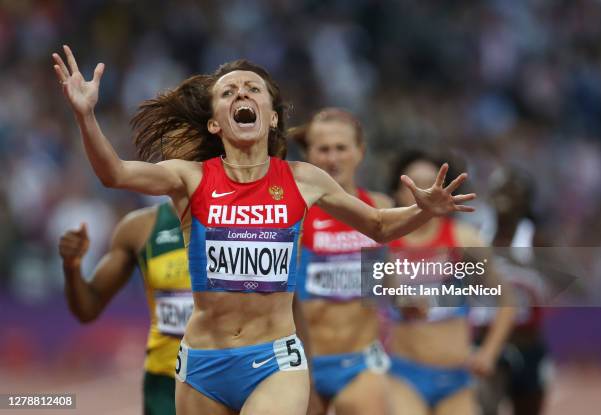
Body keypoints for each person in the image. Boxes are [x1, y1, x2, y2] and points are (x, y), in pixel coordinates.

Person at [52, 45, 475, 415]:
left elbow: (379, 226)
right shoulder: (190, 178)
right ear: (216, 122)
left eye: (253, 89)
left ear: (271, 117)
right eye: (228, 91)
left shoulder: (303, 179)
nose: (242, 94)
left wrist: (425, 212)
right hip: (202, 362)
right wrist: (85, 116)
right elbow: (115, 173)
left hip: (275, 360)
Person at [385, 149, 515, 415]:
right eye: (412, 184)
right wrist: (401, 301)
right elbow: (377, 295)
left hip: (456, 379)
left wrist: (489, 352)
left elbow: (507, 299)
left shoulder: (464, 240)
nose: (423, 191)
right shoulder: (385, 243)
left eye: (431, 183)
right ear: (396, 193)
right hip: (403, 376)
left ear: (444, 193)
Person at [291, 108, 393, 415]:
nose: (332, 158)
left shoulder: (380, 207)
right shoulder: (294, 211)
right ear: (308, 154)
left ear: (359, 152)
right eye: (323, 149)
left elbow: (387, 281)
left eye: (341, 148)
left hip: (360, 362)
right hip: (301, 362)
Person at [60, 202, 191, 415]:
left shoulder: (247, 221)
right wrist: (72, 266)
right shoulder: (141, 227)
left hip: (230, 377)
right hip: (165, 383)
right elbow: (88, 308)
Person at [471, 167, 551, 415]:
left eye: (512, 189)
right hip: (486, 342)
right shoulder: (476, 237)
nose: (503, 195)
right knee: (484, 407)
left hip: (527, 343)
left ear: (526, 199)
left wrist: (534, 266)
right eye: (498, 189)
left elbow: (575, 281)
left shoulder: (537, 239)